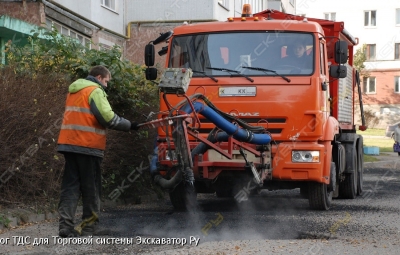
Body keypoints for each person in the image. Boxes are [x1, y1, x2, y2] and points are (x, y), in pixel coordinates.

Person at [57, 65, 141, 237]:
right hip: (88, 146)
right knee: (91, 188)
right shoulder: (94, 90)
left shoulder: (75, 90)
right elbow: (108, 118)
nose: (107, 85)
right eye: (106, 81)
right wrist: (130, 125)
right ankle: (89, 227)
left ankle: (65, 227)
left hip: (69, 144)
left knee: (70, 187)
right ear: (99, 77)